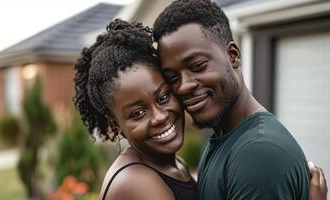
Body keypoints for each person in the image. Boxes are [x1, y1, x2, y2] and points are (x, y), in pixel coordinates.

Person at [152, 0, 326, 199]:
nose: (183, 86)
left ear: (233, 56)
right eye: (173, 78)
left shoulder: (258, 153)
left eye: (198, 65)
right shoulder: (222, 139)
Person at [73, 19, 197, 200]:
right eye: (137, 113)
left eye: (163, 98)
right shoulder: (135, 182)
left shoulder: (175, 164)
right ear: (115, 124)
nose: (159, 117)